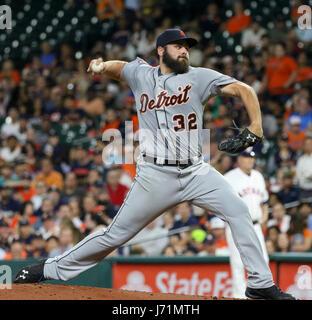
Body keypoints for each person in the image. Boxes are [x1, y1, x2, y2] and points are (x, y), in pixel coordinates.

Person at [14, 29, 294, 299]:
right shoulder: (142, 74)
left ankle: (260, 283)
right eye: (178, 46)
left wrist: (256, 126)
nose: (185, 51)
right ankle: (48, 268)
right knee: (114, 235)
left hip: (196, 171)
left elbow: (243, 89)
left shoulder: (200, 77)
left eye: (187, 47)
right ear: (161, 50)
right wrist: (100, 67)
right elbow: (120, 67)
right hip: (155, 175)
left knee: (239, 211)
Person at [224, 148, 269, 298]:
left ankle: (261, 294)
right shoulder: (229, 177)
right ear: (239, 159)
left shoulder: (258, 176)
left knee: (263, 260)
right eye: (246, 157)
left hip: (255, 225)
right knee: (238, 263)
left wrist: (264, 218)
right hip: (236, 226)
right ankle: (239, 296)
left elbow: (265, 202)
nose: (250, 160)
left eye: (252, 157)